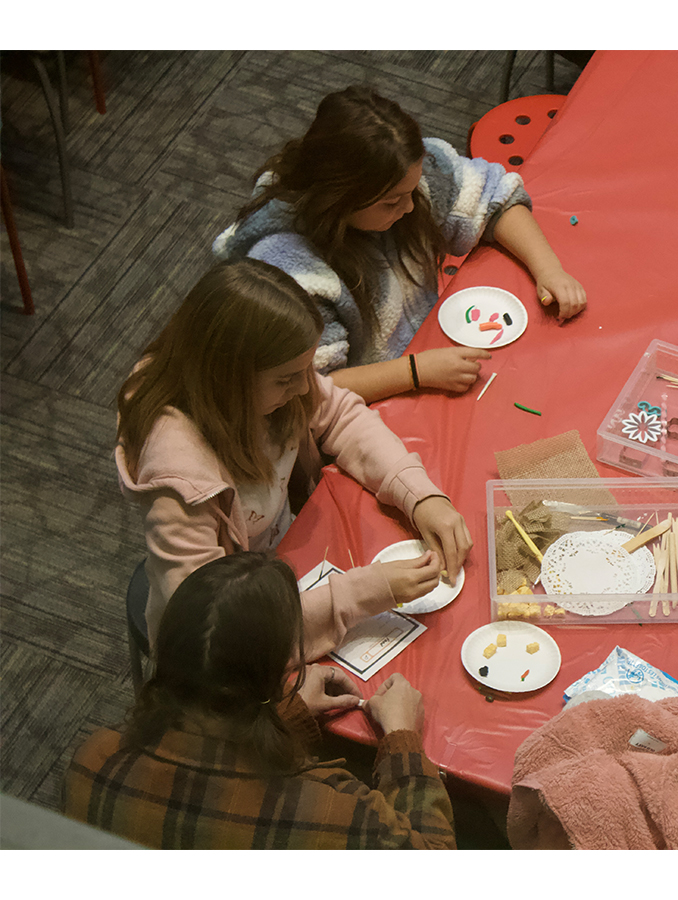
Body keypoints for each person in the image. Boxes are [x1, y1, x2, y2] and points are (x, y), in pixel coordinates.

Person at [116, 258, 471, 660]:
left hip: (282, 568)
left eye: (306, 370)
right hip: (226, 648)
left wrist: (421, 496)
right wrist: (361, 593)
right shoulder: (179, 485)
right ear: (226, 379)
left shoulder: (268, 392)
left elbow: (340, 414)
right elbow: (217, 633)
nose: (306, 387)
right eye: (286, 379)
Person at [212, 85, 588, 404]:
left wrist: (548, 268)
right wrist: (413, 371)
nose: (409, 207)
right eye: (392, 202)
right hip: (367, 402)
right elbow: (306, 390)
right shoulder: (288, 272)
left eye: (411, 191)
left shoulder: (401, 174)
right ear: (338, 199)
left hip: (425, 353)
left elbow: (492, 198)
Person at [63, 553, 455, 849]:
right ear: (277, 675)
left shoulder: (93, 759)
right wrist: (402, 738)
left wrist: (288, 715)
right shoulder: (331, 809)